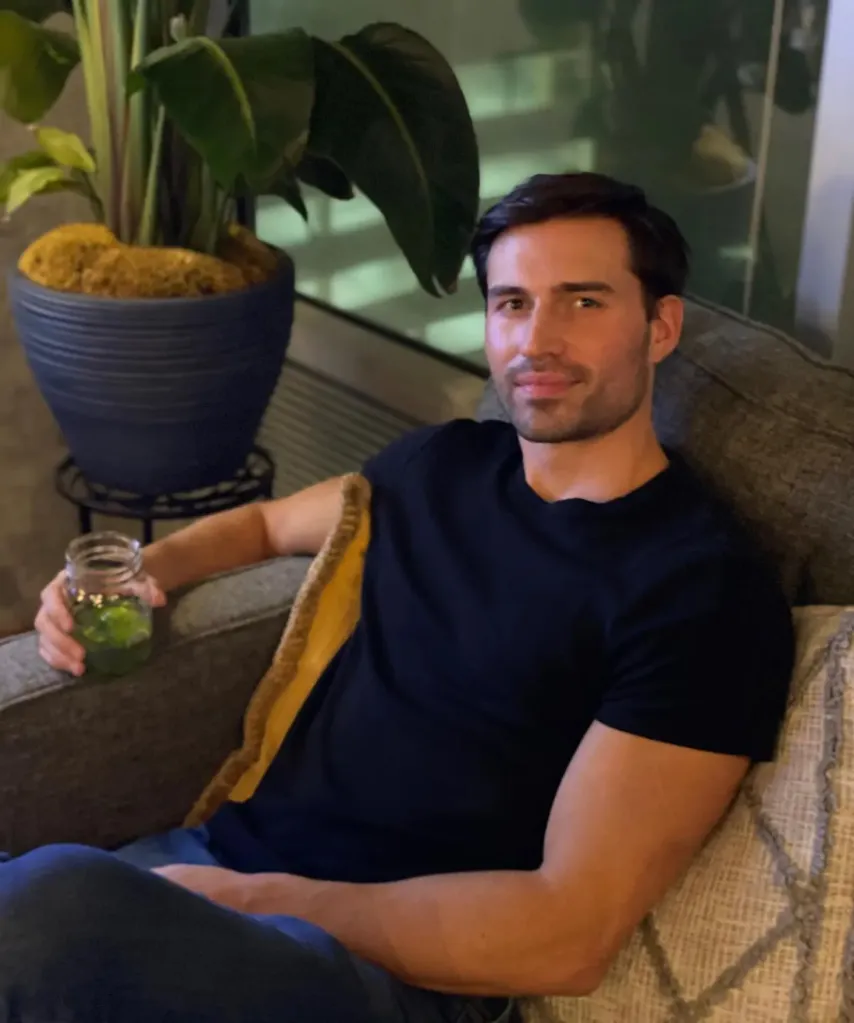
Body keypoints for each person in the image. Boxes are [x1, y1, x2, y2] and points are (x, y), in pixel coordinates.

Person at [7, 172, 794, 1023]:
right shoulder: (443, 465)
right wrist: (133, 573)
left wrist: (251, 899)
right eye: (512, 303)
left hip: (378, 969)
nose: (538, 339)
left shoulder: (701, 593)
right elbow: (270, 526)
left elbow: (569, 930)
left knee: (49, 901)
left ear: (660, 324)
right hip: (205, 867)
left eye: (584, 301)